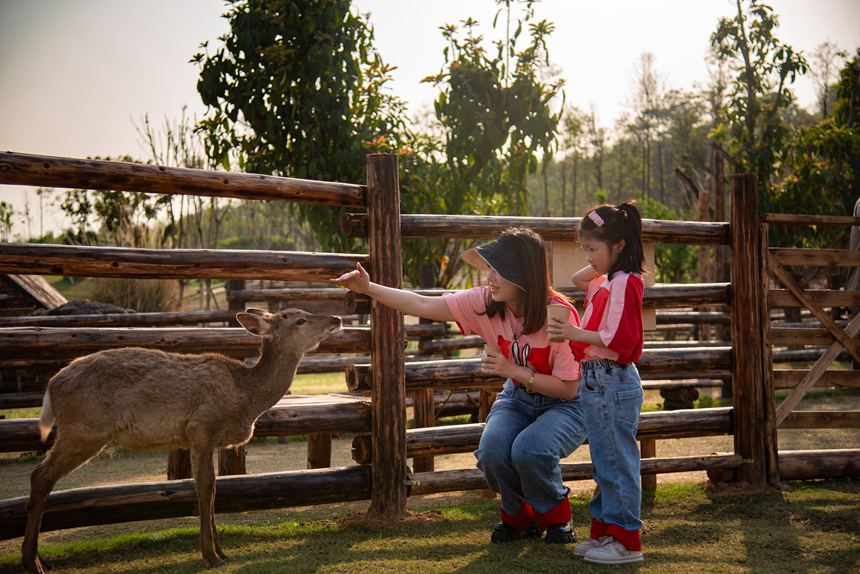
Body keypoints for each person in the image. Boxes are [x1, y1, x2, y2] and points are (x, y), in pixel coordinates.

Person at [332, 227, 587, 544]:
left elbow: (569, 389)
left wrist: (512, 370)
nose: (489, 277)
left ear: (523, 275)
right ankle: (519, 518)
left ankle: (556, 518)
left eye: (499, 270)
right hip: (519, 399)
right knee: (493, 451)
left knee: (530, 450)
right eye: (490, 268)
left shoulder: (558, 313)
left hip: (566, 406)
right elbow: (422, 305)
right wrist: (369, 288)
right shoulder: (485, 301)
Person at [547, 202, 646, 565]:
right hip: (598, 381)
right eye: (586, 249)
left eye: (593, 249)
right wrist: (598, 260)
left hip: (611, 379)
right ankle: (607, 533)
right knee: (605, 460)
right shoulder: (607, 279)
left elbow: (613, 336)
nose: (589, 258)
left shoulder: (623, 283)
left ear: (619, 245)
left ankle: (626, 540)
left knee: (618, 461)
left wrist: (572, 332)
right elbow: (577, 281)